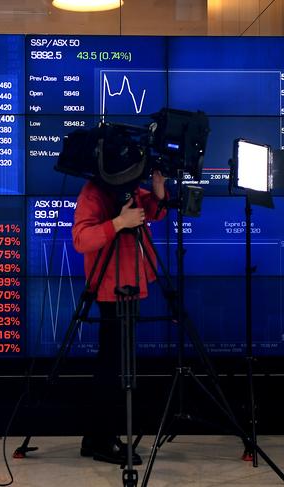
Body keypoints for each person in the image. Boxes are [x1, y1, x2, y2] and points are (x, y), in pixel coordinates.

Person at [72, 163, 167, 466]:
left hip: (131, 283)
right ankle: (103, 440)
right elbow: (81, 240)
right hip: (110, 289)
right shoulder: (94, 193)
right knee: (112, 367)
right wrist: (118, 222)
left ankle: (95, 437)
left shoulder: (126, 189)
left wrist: (158, 190)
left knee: (115, 363)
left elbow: (152, 211)